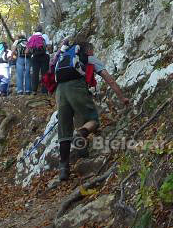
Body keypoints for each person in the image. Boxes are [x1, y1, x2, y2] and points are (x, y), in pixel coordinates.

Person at [51, 39, 129, 181]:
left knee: (64, 130)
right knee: (93, 120)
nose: (93, 53)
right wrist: (122, 97)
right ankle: (80, 134)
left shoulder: (64, 58)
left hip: (60, 91)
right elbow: (109, 79)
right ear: (88, 50)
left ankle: (63, 169)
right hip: (76, 87)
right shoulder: (89, 58)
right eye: (92, 51)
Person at [26, 25, 50, 95]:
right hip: (44, 56)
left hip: (34, 57)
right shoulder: (44, 36)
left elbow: (27, 50)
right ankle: (44, 91)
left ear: (34, 30)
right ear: (41, 30)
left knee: (35, 73)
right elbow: (48, 47)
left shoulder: (31, 37)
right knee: (44, 73)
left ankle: (34, 90)